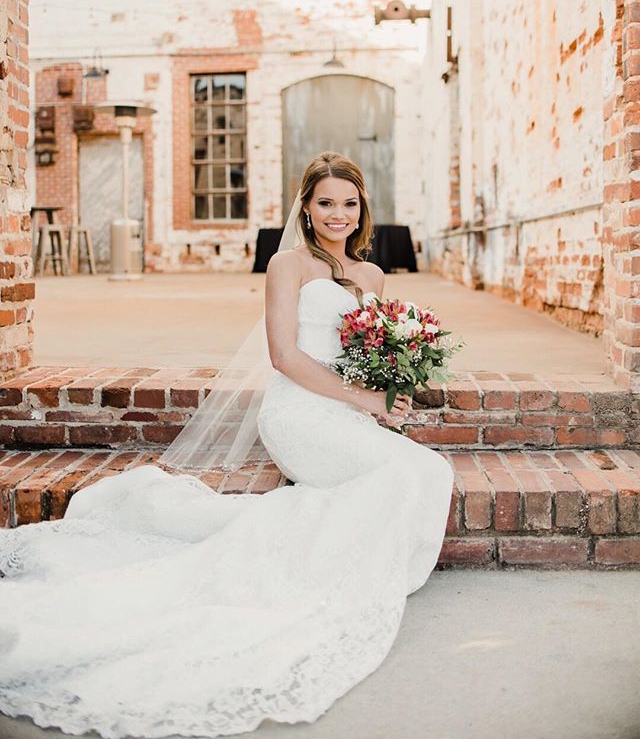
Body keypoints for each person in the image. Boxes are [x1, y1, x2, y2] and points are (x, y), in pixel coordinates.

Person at [0, 151, 454, 739]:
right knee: (407, 475)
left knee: (426, 471)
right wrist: (365, 403)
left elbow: (364, 361)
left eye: (349, 203)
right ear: (306, 208)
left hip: (346, 414)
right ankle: (344, 581)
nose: (338, 214)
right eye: (326, 203)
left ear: (361, 208)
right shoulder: (288, 265)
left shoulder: (372, 277)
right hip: (298, 415)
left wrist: (388, 392)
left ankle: (355, 564)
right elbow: (284, 357)